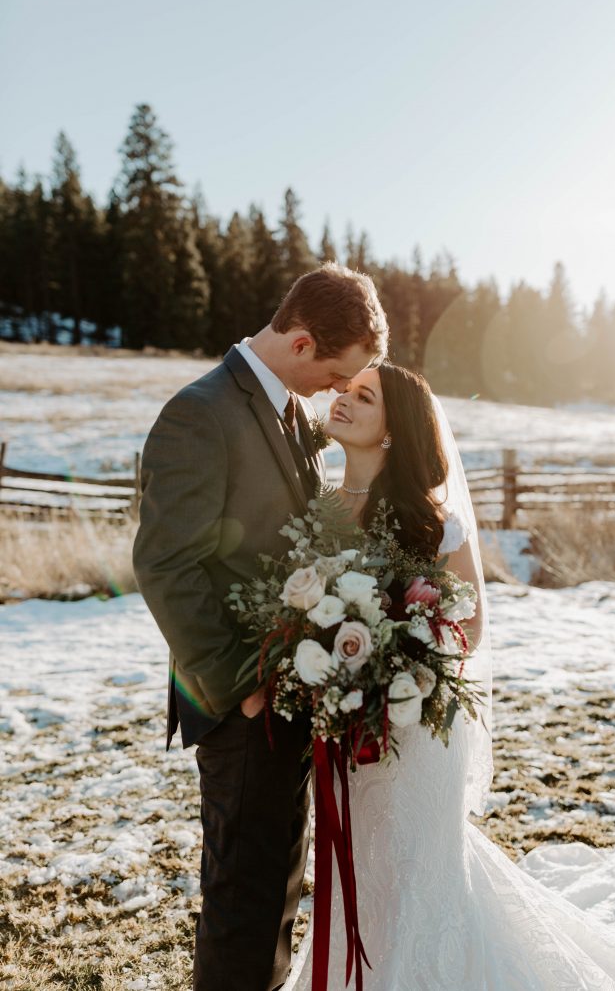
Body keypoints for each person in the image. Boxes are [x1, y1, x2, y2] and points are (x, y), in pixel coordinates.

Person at [282, 361, 615, 991]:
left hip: (414, 722)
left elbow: (469, 622)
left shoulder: (432, 518)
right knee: (362, 865)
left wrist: (397, 662)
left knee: (423, 866)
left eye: (363, 396)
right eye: (345, 390)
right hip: (344, 722)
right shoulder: (320, 510)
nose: (342, 399)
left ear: (394, 431)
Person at [132, 262, 389, 991]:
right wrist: (240, 687)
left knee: (276, 885)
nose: (339, 391)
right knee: (243, 903)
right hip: (242, 704)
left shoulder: (285, 411)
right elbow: (165, 563)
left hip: (288, 696)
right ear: (303, 343)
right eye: (338, 374)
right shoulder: (201, 413)